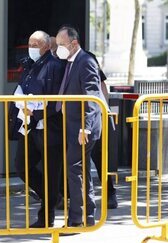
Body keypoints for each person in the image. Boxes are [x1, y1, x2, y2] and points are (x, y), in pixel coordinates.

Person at [11, 30, 65, 228]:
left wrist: (38, 111)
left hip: (50, 127)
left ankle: (46, 217)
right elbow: (21, 88)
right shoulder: (29, 65)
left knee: (51, 172)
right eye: (30, 44)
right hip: (29, 125)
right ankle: (53, 197)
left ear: (46, 46)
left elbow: (58, 99)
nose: (31, 49)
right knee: (21, 166)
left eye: (35, 45)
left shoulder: (56, 66)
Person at [55, 26, 101, 227]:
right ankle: (88, 216)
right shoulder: (72, 62)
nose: (58, 49)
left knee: (74, 169)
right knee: (79, 170)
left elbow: (92, 96)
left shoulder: (85, 62)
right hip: (75, 126)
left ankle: (76, 219)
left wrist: (86, 127)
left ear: (74, 44)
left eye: (61, 45)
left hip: (83, 127)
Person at [87, 52, 118, 209]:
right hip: (74, 117)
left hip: (95, 115)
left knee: (99, 157)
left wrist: (105, 111)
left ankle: (110, 192)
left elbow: (102, 85)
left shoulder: (86, 58)